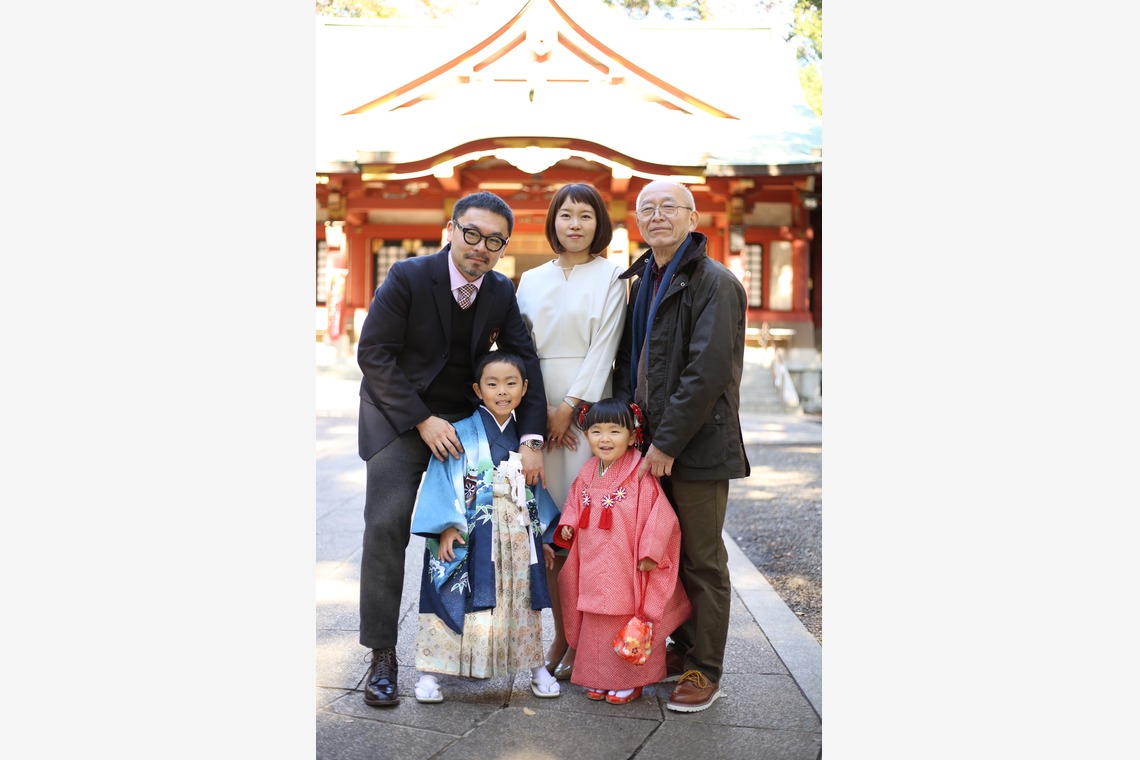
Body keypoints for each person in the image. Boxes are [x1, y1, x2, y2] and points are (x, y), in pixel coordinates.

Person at [355, 191, 548, 707]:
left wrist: (531, 440)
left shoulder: (500, 292)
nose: (480, 247)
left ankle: (464, 643)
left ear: (503, 247)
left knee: (471, 527)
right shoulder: (408, 277)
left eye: (494, 241)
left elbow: (525, 363)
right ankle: (381, 654)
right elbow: (373, 354)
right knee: (387, 524)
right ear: (451, 228)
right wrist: (421, 419)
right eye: (472, 233)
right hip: (399, 417)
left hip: (463, 424)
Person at [612, 180, 750, 713]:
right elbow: (633, 361)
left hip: (695, 446)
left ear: (694, 218)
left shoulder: (714, 282)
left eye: (670, 206)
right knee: (660, 554)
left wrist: (666, 444)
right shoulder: (644, 274)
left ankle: (704, 667)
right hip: (649, 444)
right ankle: (679, 644)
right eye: (647, 208)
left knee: (701, 558)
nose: (657, 215)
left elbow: (707, 372)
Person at [515, 182, 627, 681]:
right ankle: (561, 633)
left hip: (588, 417)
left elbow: (605, 348)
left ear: (598, 222)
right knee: (549, 533)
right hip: (536, 410)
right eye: (566, 215)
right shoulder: (530, 279)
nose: (575, 224)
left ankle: (588, 638)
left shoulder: (612, 276)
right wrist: (538, 412)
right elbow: (520, 350)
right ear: (553, 221)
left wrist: (569, 408)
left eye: (585, 215)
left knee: (589, 530)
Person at [409, 351, 562, 702]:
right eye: (492, 384)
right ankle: (429, 674)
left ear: (525, 389)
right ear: (478, 390)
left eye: (511, 383)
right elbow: (441, 477)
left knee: (519, 600)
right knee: (450, 594)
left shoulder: (526, 439)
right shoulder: (459, 432)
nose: (502, 391)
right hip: (468, 529)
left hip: (516, 534)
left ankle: (535, 668)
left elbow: (536, 488)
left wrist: (545, 535)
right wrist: (445, 526)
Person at [553, 399, 691, 705]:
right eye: (596, 431)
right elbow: (576, 502)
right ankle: (598, 678)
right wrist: (569, 524)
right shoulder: (588, 471)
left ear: (632, 436)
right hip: (591, 559)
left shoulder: (641, 472)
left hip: (627, 560)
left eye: (614, 431)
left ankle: (630, 681)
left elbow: (661, 514)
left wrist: (651, 551)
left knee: (626, 614)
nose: (604, 439)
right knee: (595, 620)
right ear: (586, 435)